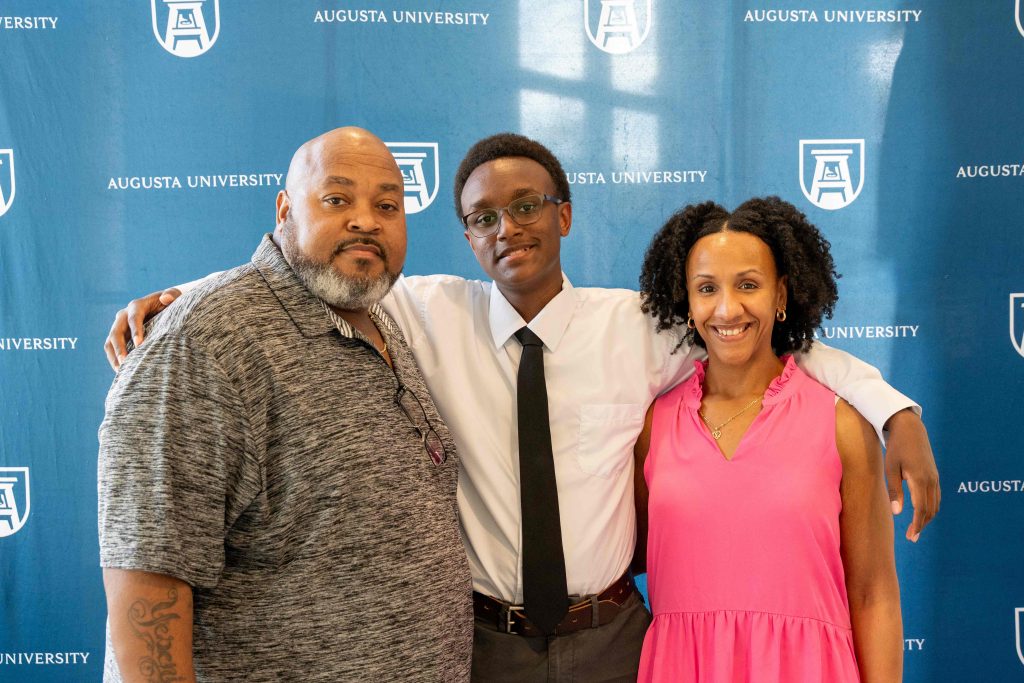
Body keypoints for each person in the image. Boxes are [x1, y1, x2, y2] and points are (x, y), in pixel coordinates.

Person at [104, 134, 937, 682]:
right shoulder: (422, 311)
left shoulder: (639, 324)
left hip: (615, 640)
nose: (509, 227)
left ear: (564, 214)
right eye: (483, 217)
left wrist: (894, 411)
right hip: (484, 645)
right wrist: (187, 296)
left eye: (529, 205)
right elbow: (313, 269)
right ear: (466, 234)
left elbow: (762, 337)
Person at [98, 127, 473, 682]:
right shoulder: (201, 345)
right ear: (284, 210)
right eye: (337, 199)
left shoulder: (378, 321)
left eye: (387, 205)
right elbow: (147, 579)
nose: (366, 220)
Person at [634, 197, 902, 681]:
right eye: (707, 288)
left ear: (780, 295)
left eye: (748, 285)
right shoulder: (655, 425)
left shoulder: (841, 423)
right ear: (686, 301)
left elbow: (873, 594)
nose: (726, 308)